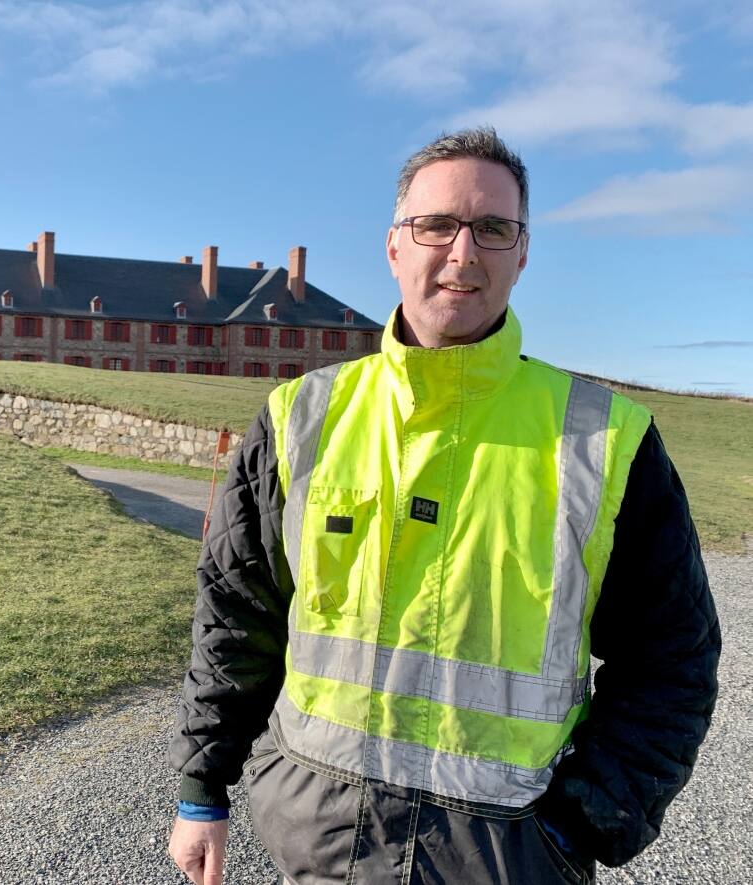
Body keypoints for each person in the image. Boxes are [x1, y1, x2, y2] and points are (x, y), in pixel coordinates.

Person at [167, 127, 721, 885]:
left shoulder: (606, 441)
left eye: (493, 229)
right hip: (319, 846)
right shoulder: (301, 418)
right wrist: (204, 791)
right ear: (394, 245)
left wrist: (579, 824)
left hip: (511, 860)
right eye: (437, 225)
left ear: (523, 254)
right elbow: (238, 614)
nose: (463, 253)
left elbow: (674, 660)